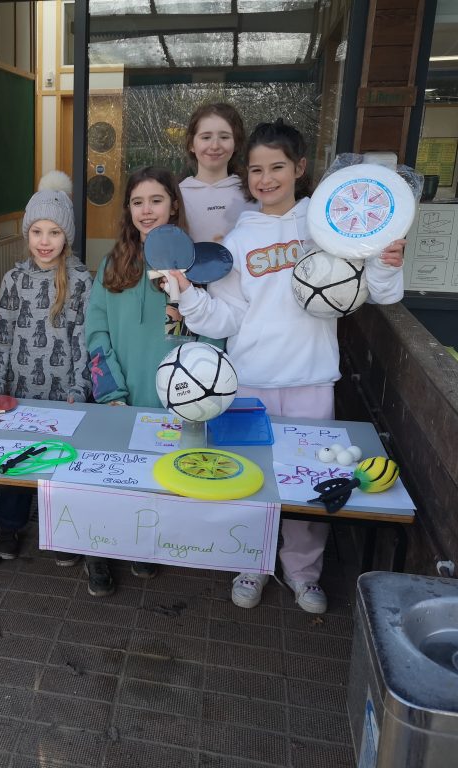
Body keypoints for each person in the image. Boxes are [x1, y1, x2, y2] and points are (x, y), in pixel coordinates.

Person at [170, 119, 406, 614]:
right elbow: (226, 315)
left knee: (307, 483)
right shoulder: (238, 239)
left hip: (311, 379)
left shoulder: (325, 229)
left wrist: (385, 260)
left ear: (300, 168)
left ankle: (304, 573)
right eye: (256, 169)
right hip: (249, 381)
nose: (265, 178)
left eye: (277, 166)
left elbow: (379, 294)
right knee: (248, 479)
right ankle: (250, 564)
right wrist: (188, 296)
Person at [84, 166, 199, 595]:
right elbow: (96, 330)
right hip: (119, 395)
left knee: (153, 477)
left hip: (168, 398)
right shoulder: (114, 263)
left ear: (173, 204)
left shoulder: (193, 266)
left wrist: (188, 396)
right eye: (137, 202)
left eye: (156, 200)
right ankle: (97, 552)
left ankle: (141, 546)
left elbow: (204, 338)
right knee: (109, 477)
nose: (146, 210)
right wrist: (110, 391)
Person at [0, 172, 92, 562]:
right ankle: (8, 525)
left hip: (63, 390)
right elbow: (4, 337)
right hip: (18, 390)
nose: (44, 242)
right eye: (37, 232)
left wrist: (80, 389)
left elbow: (83, 339)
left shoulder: (80, 279)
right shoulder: (13, 279)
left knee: (60, 460)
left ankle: (62, 532)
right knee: (18, 458)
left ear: (67, 236)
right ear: (26, 233)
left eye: (54, 232)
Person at [178, 102, 258, 243]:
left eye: (224, 137)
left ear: (236, 144)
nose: (215, 146)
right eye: (206, 137)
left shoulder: (252, 192)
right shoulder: (176, 195)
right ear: (191, 144)